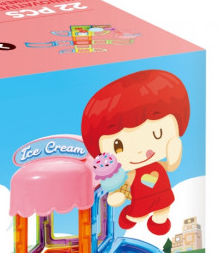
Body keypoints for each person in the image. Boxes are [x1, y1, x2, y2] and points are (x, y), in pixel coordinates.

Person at [81, 70, 190, 235]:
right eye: (118, 146)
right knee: (138, 215)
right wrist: (118, 194)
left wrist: (174, 155)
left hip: (162, 196)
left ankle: (158, 222)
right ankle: (129, 217)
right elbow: (124, 184)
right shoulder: (132, 174)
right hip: (141, 201)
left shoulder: (158, 165)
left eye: (157, 133)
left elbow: (170, 166)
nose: (139, 150)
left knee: (163, 211)